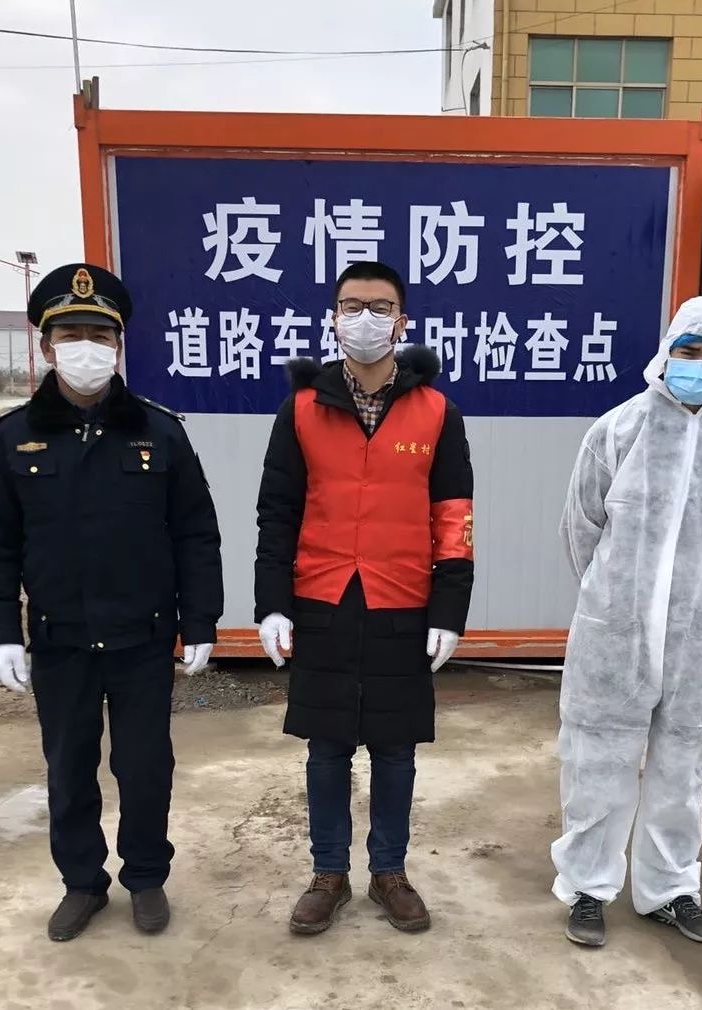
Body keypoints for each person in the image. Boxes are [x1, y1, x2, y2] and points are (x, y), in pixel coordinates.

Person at [0, 263, 223, 942]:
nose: (87, 348)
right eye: (71, 335)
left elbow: (195, 532)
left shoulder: (160, 433)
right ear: (48, 347)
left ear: (118, 346)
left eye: (101, 336)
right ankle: (82, 883)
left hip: (143, 637)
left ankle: (146, 877)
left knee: (145, 769)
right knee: (69, 769)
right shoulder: (12, 437)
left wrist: (201, 620)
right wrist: (1, 630)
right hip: (61, 639)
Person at [254, 261, 474, 936]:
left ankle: (388, 872)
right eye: (352, 306)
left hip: (402, 600)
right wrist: (272, 602)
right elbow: (277, 512)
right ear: (333, 318)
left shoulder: (436, 412)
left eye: (380, 308)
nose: (366, 319)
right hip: (323, 597)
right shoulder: (302, 408)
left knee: (395, 749)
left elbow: (453, 517)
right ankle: (329, 873)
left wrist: (450, 611)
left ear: (401, 322)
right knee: (326, 748)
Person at [552, 296, 702, 948]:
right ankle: (588, 889)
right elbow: (582, 527)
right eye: (689, 351)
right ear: (667, 351)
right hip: (616, 631)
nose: (699, 365)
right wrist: (616, 600)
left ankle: (671, 890)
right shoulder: (619, 429)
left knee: (684, 771)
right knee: (598, 761)